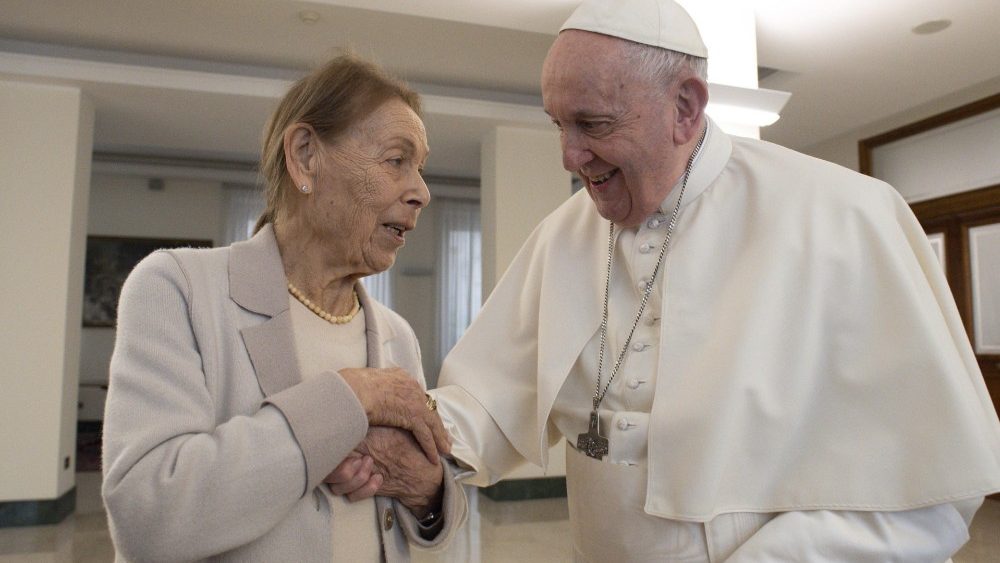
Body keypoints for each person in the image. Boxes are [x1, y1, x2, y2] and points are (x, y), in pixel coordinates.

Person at [427, 0, 1000, 561]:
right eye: (558, 125)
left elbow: (934, 497)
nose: (569, 156)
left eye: (592, 123)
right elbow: (489, 398)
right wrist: (416, 441)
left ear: (685, 107)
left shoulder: (845, 215)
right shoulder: (563, 236)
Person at [101, 53, 466, 562]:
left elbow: (420, 517)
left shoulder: (396, 334)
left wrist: (426, 492)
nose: (422, 192)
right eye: (396, 160)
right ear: (305, 156)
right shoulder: (178, 288)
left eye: (421, 169)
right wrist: (349, 399)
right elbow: (148, 515)